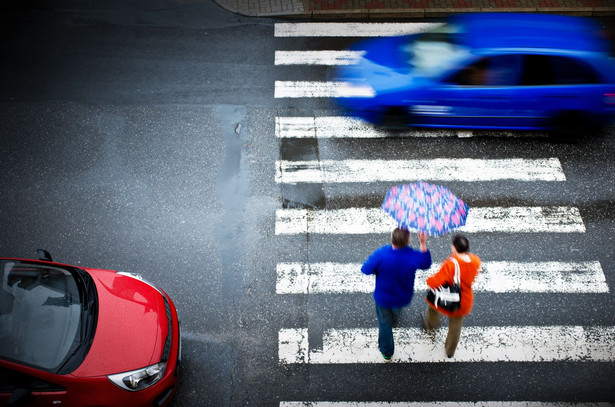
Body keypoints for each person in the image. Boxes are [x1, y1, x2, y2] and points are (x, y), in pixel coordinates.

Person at [361, 228, 432, 362]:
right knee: (395, 309)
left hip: (384, 297)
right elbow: (426, 263)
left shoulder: (381, 254)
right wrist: (422, 242)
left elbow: (365, 269)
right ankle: (395, 314)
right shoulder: (413, 256)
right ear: (408, 240)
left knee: (384, 323)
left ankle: (387, 352)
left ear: (391, 238)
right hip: (403, 297)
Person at [423, 234, 481, 358]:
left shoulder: (451, 264)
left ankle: (431, 328)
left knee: (433, 307)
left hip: (447, 299)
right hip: (464, 300)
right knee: (455, 326)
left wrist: (429, 280)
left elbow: (436, 281)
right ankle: (450, 351)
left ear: (454, 248)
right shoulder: (475, 261)